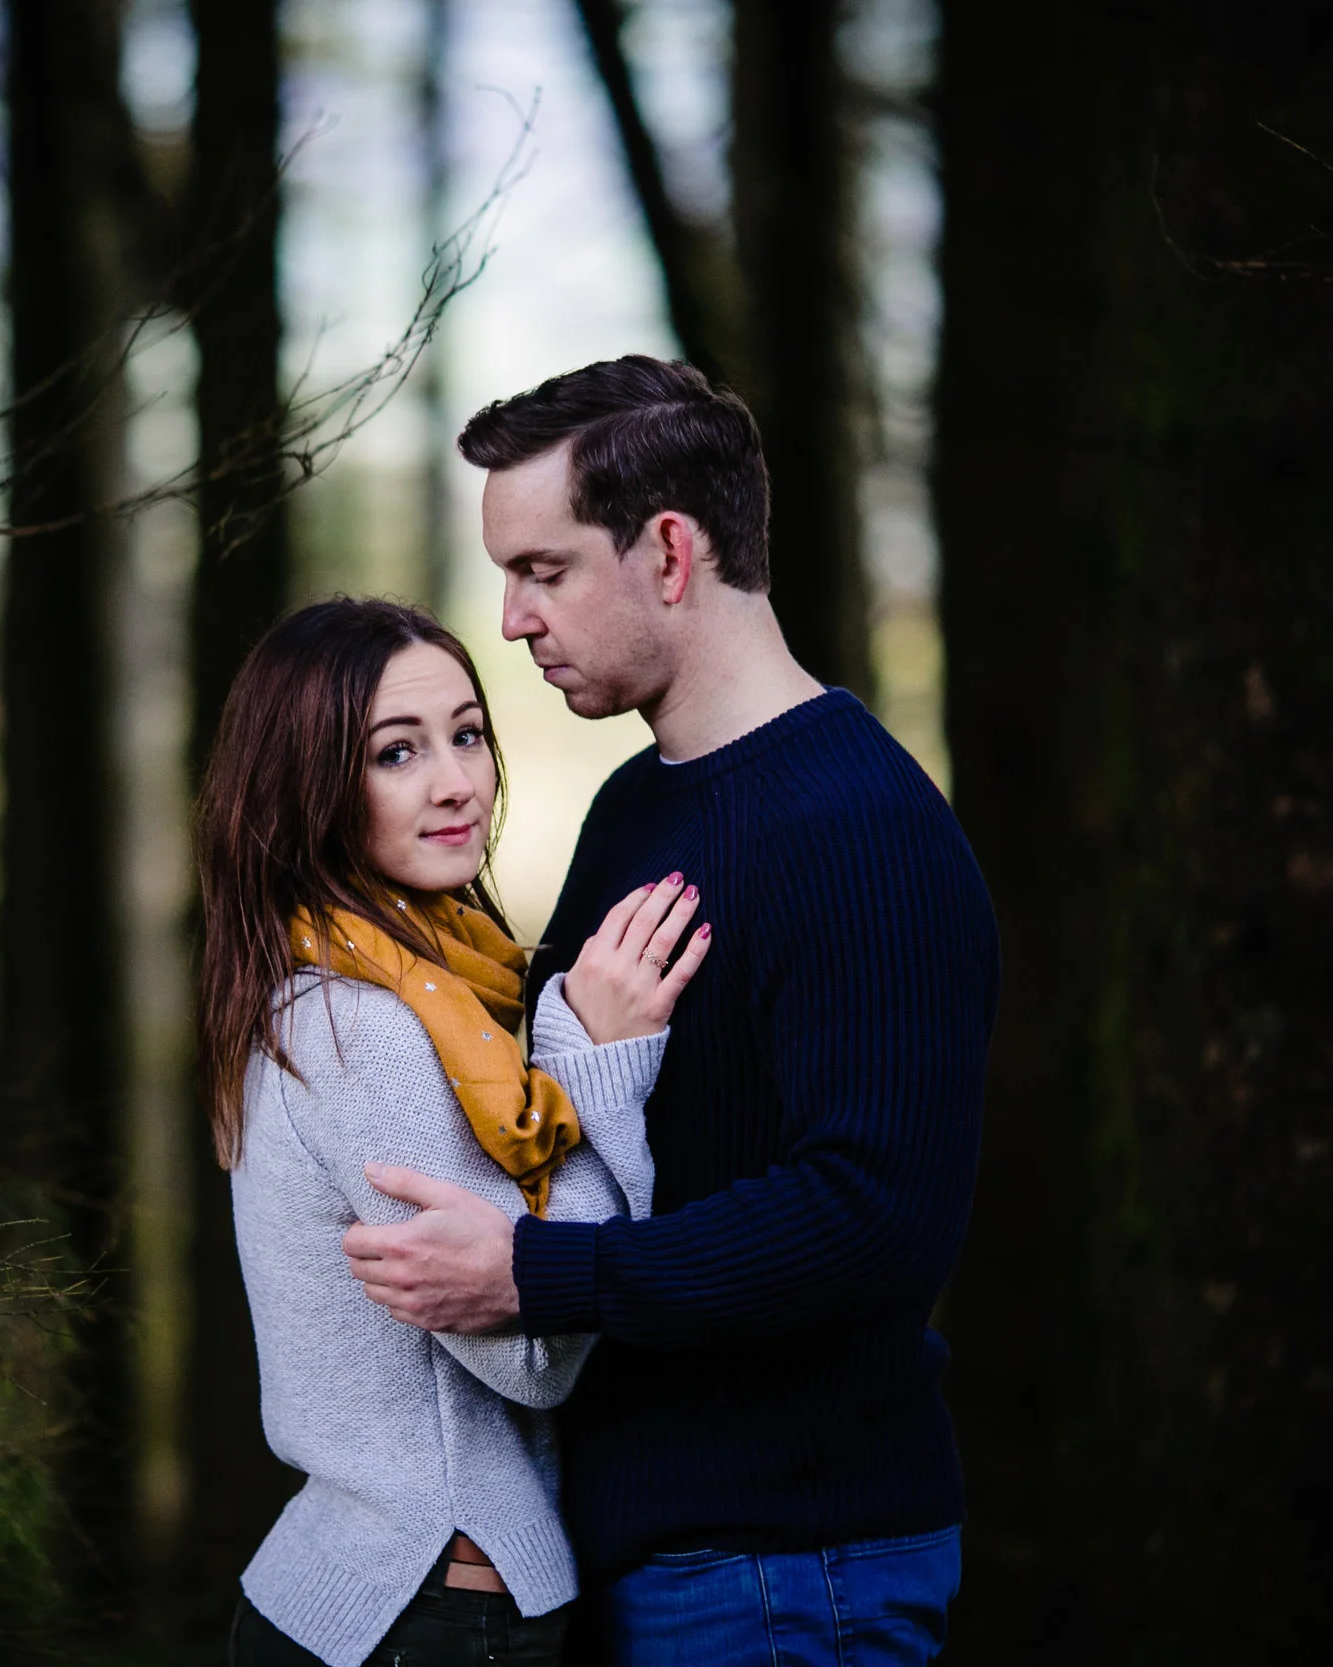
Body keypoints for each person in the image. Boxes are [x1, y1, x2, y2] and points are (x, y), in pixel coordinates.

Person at [337, 358, 1001, 1665]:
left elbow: (874, 1218)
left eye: (544, 568)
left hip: (785, 1566)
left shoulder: (860, 832)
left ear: (672, 551)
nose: (514, 618)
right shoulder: (642, 801)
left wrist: (537, 1277)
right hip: (644, 1545)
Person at [198, 597, 714, 1667]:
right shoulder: (367, 1026)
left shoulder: (367, 982)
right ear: (309, 785)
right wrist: (592, 1060)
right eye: (396, 751)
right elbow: (528, 1349)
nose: (455, 782)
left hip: (371, 1585)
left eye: (467, 733)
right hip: (433, 1600)